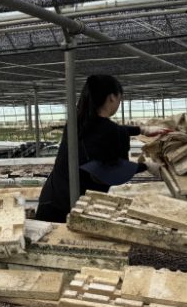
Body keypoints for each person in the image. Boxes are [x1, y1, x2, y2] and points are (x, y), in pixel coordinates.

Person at [35, 74, 165, 222]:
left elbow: (105, 130)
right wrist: (145, 166)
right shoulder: (109, 131)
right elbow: (115, 170)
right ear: (112, 97)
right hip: (74, 207)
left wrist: (141, 130)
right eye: (119, 99)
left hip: (51, 199)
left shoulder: (75, 122)